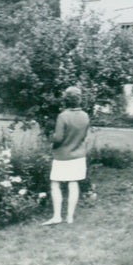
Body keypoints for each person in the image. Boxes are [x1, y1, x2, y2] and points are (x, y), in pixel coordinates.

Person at [42, 86, 90, 225]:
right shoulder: (85, 115)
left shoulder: (63, 116)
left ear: (66, 100)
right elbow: (84, 136)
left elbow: (58, 139)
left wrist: (52, 144)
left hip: (63, 155)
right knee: (73, 183)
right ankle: (70, 217)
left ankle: (57, 216)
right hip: (79, 155)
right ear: (79, 99)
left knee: (55, 183)